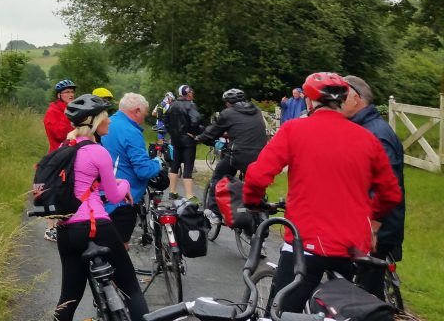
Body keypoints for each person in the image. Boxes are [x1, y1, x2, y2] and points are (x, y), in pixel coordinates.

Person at [243, 72, 401, 314]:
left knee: (281, 313)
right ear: (342, 101)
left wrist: (253, 201)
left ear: (309, 101)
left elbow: (257, 176)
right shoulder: (367, 139)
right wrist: (371, 221)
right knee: (339, 309)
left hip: (305, 242)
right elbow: (390, 193)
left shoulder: (294, 130)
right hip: (350, 247)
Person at [53, 94, 147, 321]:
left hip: (66, 229)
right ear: (95, 122)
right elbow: (114, 195)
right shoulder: (97, 151)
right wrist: (123, 183)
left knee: (69, 297)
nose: (110, 121)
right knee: (130, 286)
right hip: (95, 225)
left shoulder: (63, 149)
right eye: (106, 117)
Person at [342, 75, 406, 299]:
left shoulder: (375, 133)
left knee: (366, 300)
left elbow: (385, 187)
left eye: (342, 96)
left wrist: (372, 228)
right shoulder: (360, 128)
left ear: (356, 99)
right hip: (363, 225)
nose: (337, 102)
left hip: (376, 231)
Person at [195, 88, 269, 225]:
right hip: (260, 155)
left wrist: (200, 138)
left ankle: (215, 213)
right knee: (253, 183)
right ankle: (261, 212)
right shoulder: (256, 110)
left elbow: (212, 132)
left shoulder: (228, 113)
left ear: (228, 103)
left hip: (238, 154)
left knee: (219, 176)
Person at [100, 92, 162, 245]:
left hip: (100, 194)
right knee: (119, 250)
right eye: (145, 114)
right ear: (137, 110)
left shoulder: (107, 124)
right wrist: (158, 163)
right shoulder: (131, 131)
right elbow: (144, 170)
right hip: (121, 199)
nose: (144, 119)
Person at [43, 79, 77, 241]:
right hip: (57, 157)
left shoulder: (72, 109)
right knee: (55, 192)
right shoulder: (53, 111)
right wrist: (67, 116)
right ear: (59, 95)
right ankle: (50, 229)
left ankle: (65, 224)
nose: (71, 94)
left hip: (70, 156)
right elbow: (59, 134)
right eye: (67, 92)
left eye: (72, 92)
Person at [162, 84, 202, 200]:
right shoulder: (191, 105)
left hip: (175, 140)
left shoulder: (173, 105)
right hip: (188, 141)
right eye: (191, 92)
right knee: (188, 166)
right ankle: (189, 195)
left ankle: (172, 192)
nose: (192, 93)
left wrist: (172, 132)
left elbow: (165, 120)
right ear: (187, 93)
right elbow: (196, 120)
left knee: (175, 165)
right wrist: (192, 132)